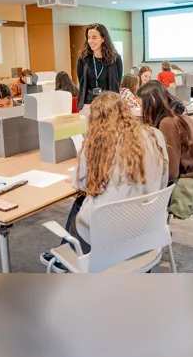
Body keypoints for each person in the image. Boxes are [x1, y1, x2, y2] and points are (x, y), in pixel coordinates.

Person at [40, 92, 168, 269]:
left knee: (81, 203)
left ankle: (67, 256)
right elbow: (163, 179)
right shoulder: (155, 135)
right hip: (146, 230)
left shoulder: (99, 143)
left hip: (109, 235)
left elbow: (80, 184)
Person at [138, 81, 193, 181]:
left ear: (152, 101)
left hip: (185, 183)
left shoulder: (167, 123)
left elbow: (171, 174)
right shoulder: (181, 117)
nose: (141, 111)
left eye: (141, 105)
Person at [75, 23, 123, 106]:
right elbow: (81, 80)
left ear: (103, 39)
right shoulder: (83, 59)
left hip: (109, 104)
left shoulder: (115, 59)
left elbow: (117, 82)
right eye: (88, 37)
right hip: (88, 103)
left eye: (94, 37)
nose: (90, 41)